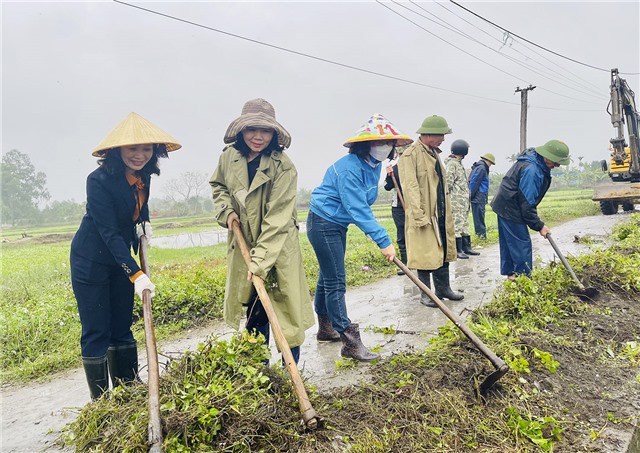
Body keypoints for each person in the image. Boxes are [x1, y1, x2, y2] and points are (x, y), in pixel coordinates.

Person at [70, 112, 181, 400]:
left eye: (146, 149)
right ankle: (102, 401)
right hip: (91, 260)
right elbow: (108, 233)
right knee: (97, 330)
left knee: (122, 326)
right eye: (133, 148)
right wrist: (136, 273)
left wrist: (142, 225)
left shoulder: (144, 176)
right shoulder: (98, 181)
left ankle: (128, 392)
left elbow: (136, 211)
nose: (140, 155)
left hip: (121, 259)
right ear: (118, 150)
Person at [209, 98, 314, 365]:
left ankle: (291, 372)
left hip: (277, 247)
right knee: (255, 309)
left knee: (285, 310)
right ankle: (259, 372)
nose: (258, 137)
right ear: (241, 131)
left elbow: (278, 220)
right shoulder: (228, 158)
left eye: (265, 131)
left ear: (274, 134)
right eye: (252, 130)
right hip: (244, 241)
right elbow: (218, 186)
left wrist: (259, 263)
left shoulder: (283, 166)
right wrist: (226, 211)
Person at [307, 113, 412, 361]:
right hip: (323, 222)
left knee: (328, 272)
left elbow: (362, 204)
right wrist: (383, 240)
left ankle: (325, 328)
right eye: (378, 142)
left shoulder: (372, 166)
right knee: (336, 280)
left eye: (388, 143)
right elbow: (358, 208)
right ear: (364, 144)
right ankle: (349, 341)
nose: (384, 147)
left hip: (336, 222)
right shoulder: (348, 169)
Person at [398, 115, 464, 306]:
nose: (444, 139)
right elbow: (410, 188)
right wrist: (418, 215)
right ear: (429, 134)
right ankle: (426, 294)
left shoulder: (434, 153)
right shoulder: (410, 155)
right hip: (424, 213)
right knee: (425, 254)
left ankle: (443, 288)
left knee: (444, 250)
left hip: (441, 212)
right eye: (441, 135)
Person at [490, 140, 570, 279]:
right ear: (547, 156)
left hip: (506, 203)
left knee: (511, 242)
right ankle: (523, 279)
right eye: (555, 162)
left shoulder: (534, 161)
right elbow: (527, 203)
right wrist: (539, 226)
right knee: (521, 244)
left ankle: (512, 275)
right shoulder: (532, 170)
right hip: (510, 206)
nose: (556, 166)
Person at [445, 139, 479, 259]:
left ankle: (466, 247)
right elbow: (448, 183)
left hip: (463, 202)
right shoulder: (452, 164)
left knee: (464, 225)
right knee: (457, 225)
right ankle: (458, 250)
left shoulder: (458, 163)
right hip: (456, 202)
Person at [383, 145, 409, 275]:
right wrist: (389, 175)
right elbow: (388, 187)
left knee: (415, 234)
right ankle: (405, 263)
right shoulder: (395, 169)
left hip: (413, 206)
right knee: (402, 235)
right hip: (399, 207)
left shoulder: (414, 168)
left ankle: (417, 260)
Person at [468, 153, 496, 240]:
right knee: (479, 217)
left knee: (478, 217)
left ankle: (480, 236)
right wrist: (471, 195)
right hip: (478, 196)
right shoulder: (482, 168)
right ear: (488, 161)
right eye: (491, 163)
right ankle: (481, 236)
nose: (490, 165)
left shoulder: (478, 167)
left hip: (477, 196)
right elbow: (475, 182)